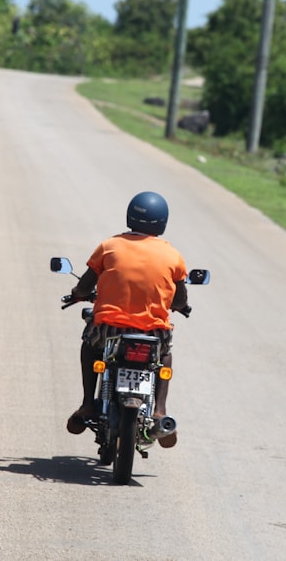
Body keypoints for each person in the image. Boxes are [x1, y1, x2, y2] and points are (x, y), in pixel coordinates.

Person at [65, 191, 189, 448]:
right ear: (162, 222)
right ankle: (160, 411)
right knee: (165, 353)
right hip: (152, 332)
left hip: (111, 327)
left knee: (90, 345)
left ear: (130, 216)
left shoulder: (110, 246)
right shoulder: (172, 255)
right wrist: (182, 306)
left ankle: (89, 404)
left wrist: (77, 295)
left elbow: (86, 286)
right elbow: (178, 299)